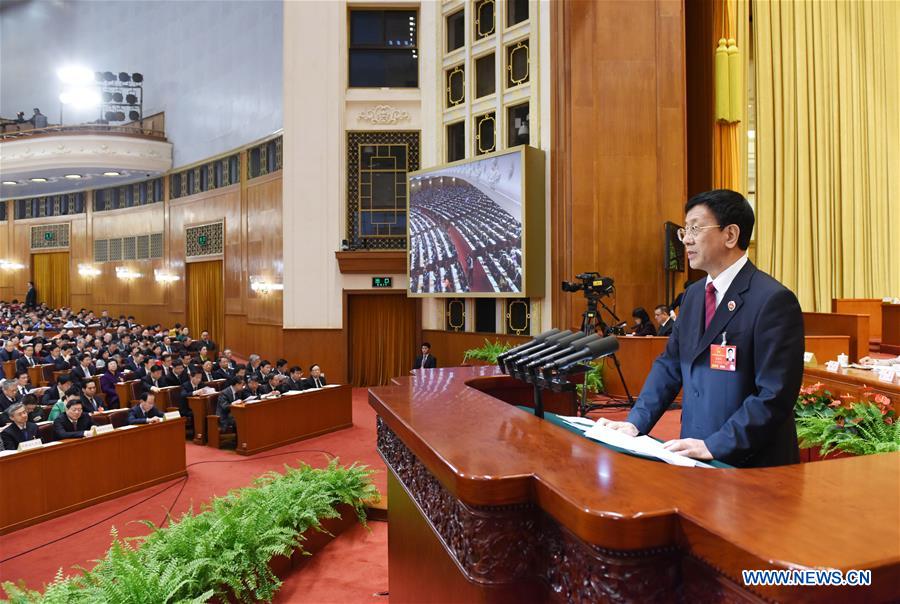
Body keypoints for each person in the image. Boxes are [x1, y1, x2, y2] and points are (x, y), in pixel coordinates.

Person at [598, 189, 805, 468]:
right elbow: (670, 365)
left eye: (696, 228)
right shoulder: (694, 295)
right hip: (694, 452)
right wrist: (635, 423)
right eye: (685, 230)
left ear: (730, 235)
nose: (687, 239)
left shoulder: (772, 300)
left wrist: (716, 444)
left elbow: (774, 395)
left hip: (750, 463)